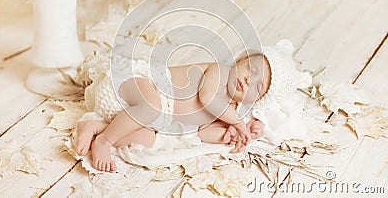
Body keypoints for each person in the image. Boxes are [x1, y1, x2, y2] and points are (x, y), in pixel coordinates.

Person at [74, 40, 309, 172]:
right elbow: (207, 98)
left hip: (134, 116)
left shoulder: (230, 111)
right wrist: (238, 122)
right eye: (251, 69)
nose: (248, 80)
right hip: (137, 85)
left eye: (257, 86)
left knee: (148, 138)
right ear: (239, 60)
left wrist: (230, 135)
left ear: (256, 101)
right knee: (153, 106)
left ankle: (98, 129)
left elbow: (203, 133)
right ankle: (105, 143)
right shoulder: (219, 71)